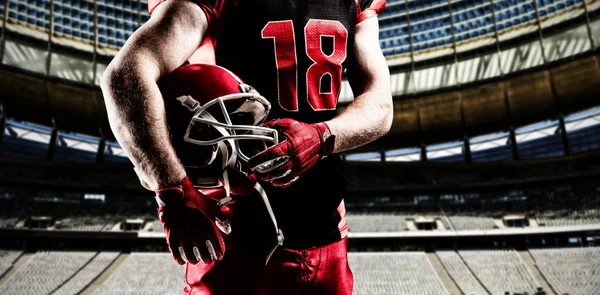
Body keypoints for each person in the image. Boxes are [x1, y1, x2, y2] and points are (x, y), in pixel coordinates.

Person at [100, 0, 393, 293]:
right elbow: (126, 74)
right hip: (233, 241)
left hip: (324, 233)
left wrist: (322, 136)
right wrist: (171, 189)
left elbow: (380, 104)